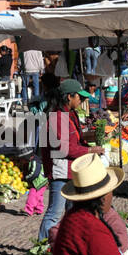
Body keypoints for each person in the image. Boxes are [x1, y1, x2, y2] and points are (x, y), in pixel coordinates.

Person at [39, 79, 101, 241]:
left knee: (71, 212)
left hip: (71, 171)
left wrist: (88, 143)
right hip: (61, 172)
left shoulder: (70, 114)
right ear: (69, 97)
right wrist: (89, 150)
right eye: (79, 97)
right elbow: (64, 148)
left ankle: (66, 244)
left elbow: (75, 141)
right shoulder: (58, 118)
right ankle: (41, 246)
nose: (81, 100)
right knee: (54, 214)